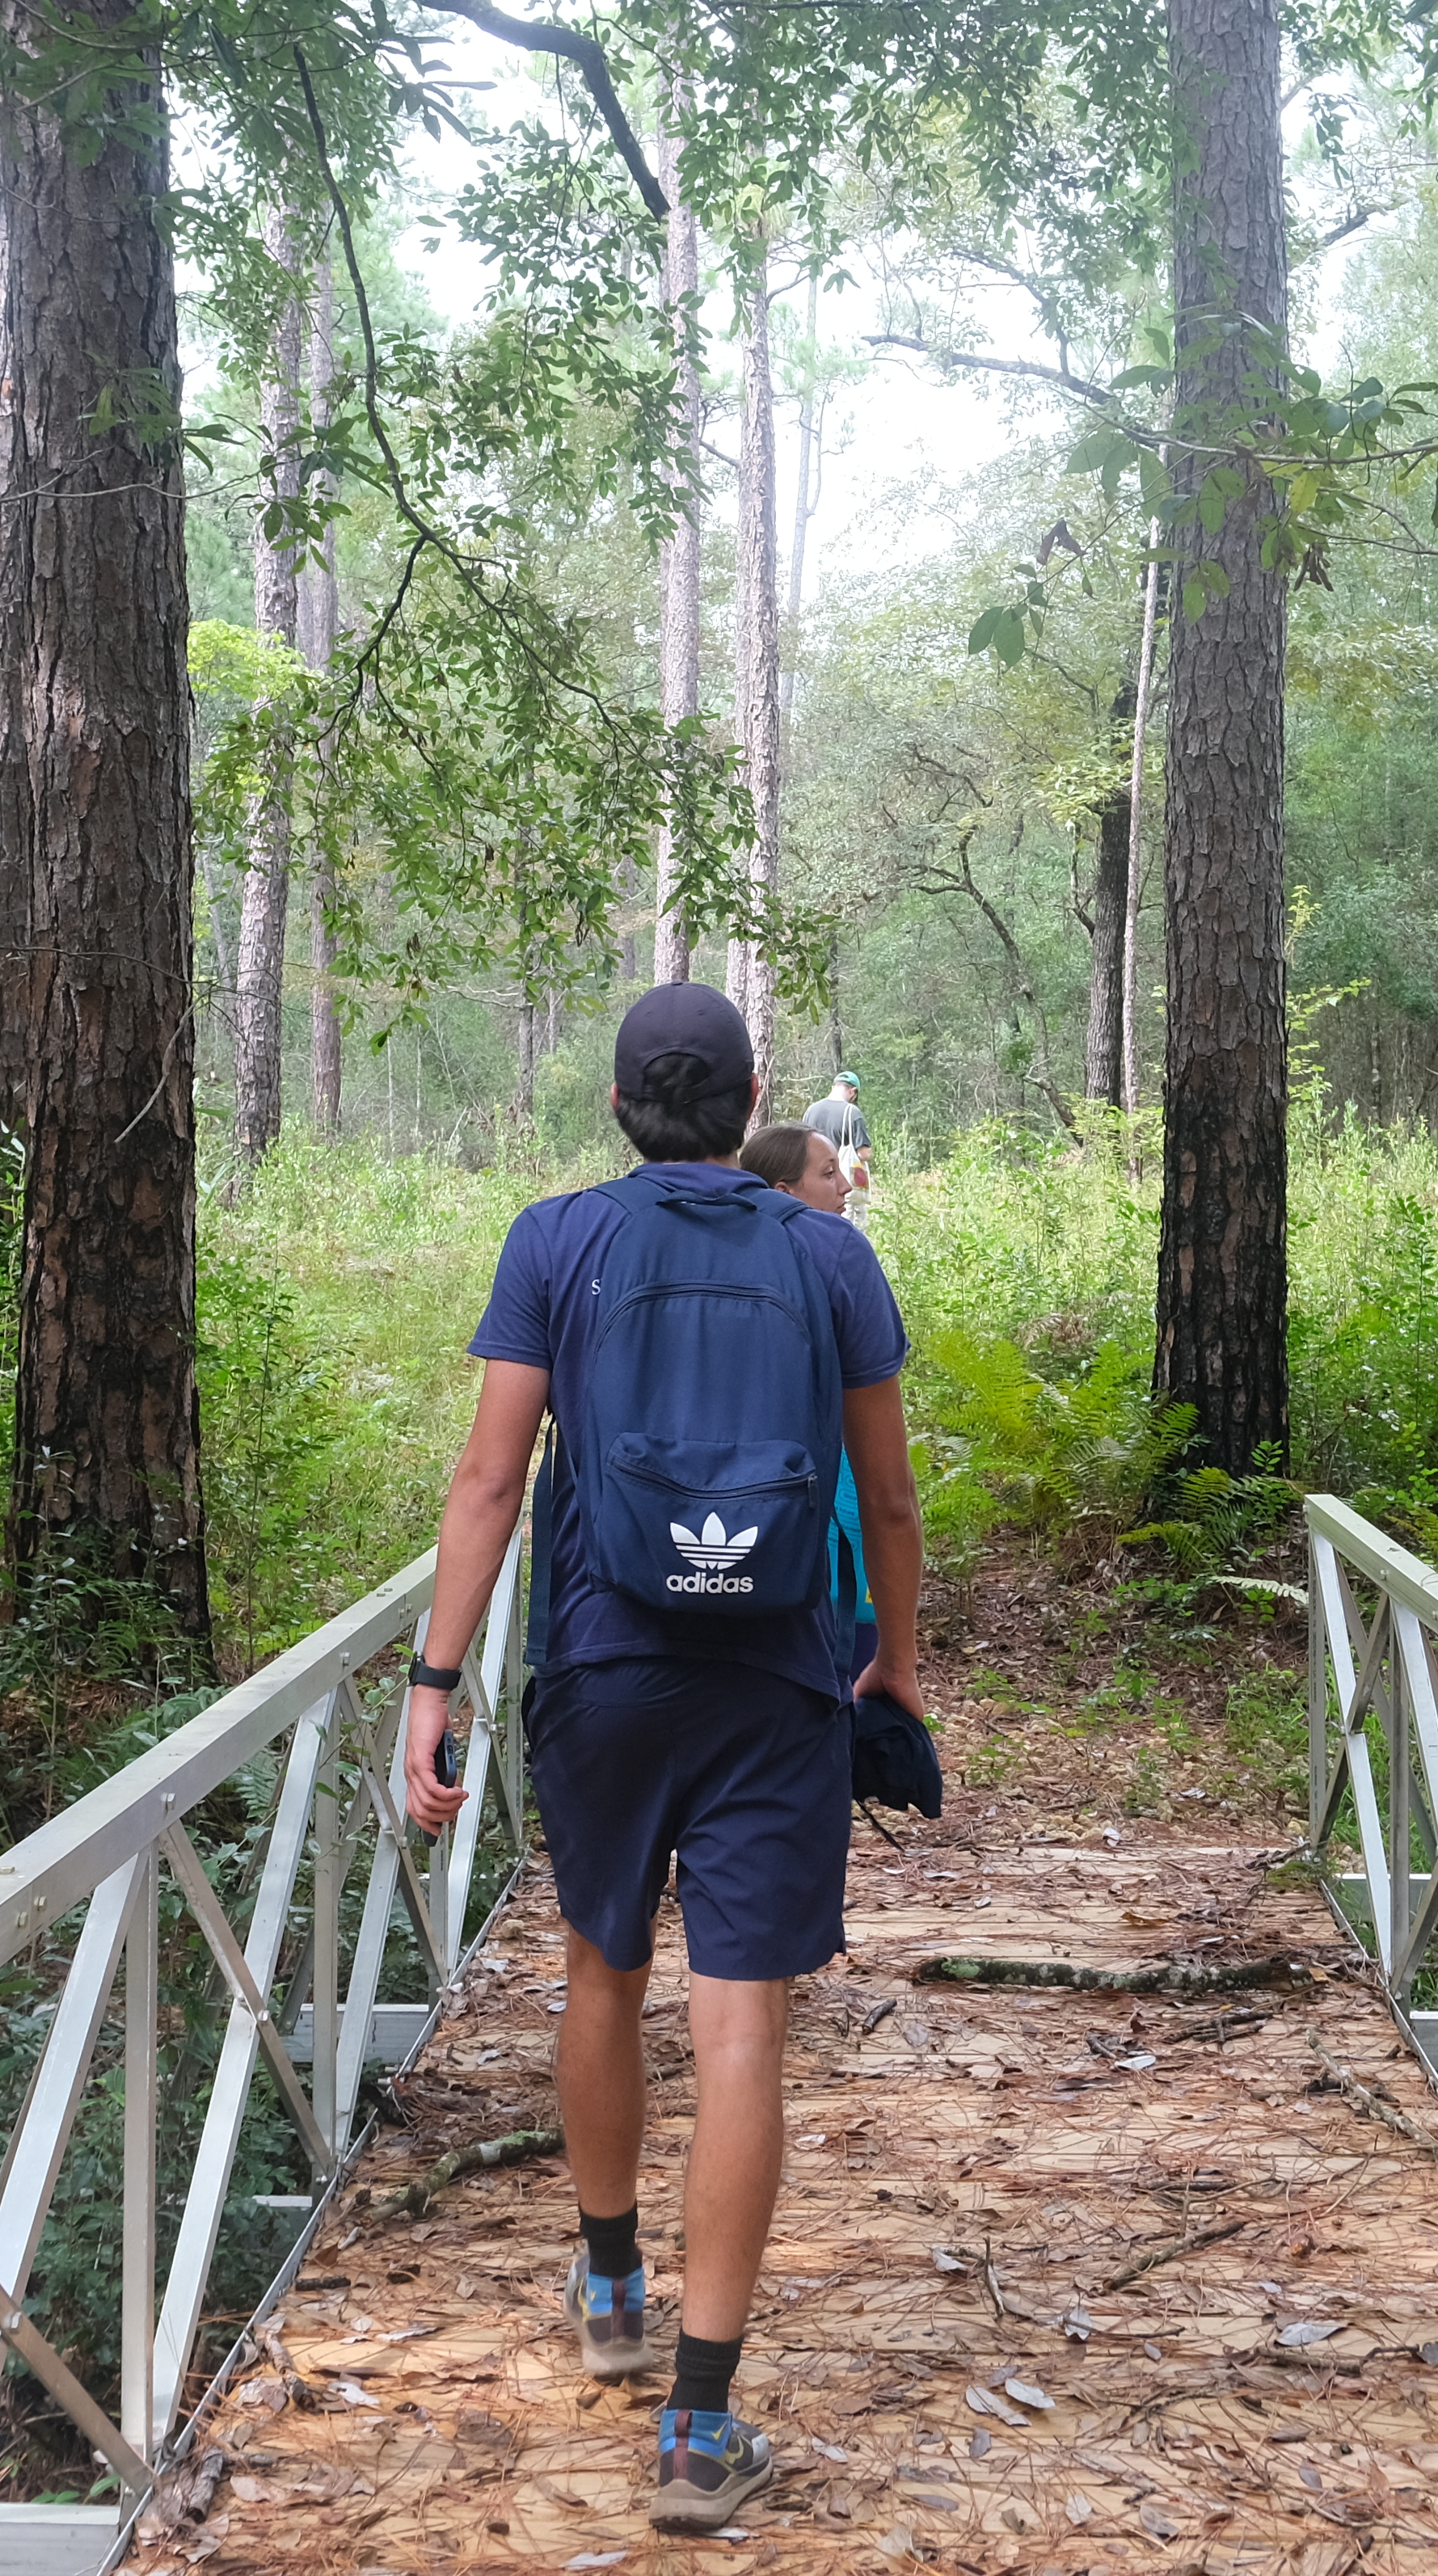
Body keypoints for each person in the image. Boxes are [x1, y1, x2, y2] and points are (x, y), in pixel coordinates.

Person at [400, 983, 924, 2534]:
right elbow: (887, 1501)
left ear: (621, 1103)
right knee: (741, 2020)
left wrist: (436, 1677)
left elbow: (492, 1480)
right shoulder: (830, 1249)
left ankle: (611, 2283)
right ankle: (700, 2431)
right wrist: (894, 1659)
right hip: (776, 1678)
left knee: (603, 1972)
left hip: (606, 1667)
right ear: (757, 1095)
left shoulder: (555, 1240)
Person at [740, 1126, 880, 1684]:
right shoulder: (830, 1267)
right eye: (828, 1174)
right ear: (782, 1192)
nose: (846, 1186)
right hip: (802, 1507)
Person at [800, 1070, 873, 1195]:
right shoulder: (852, 1112)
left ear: (833, 1087)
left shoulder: (811, 1111)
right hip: (842, 1184)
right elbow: (864, 1153)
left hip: (814, 1183)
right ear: (853, 1091)